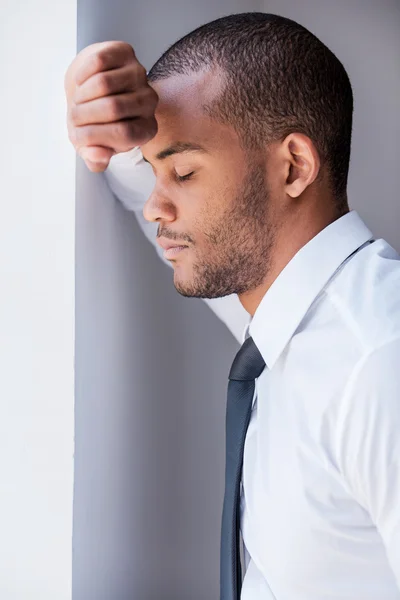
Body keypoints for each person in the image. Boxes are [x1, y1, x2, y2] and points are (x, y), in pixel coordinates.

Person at [65, 12, 400, 600]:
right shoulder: (285, 317)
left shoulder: (378, 359)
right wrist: (105, 116)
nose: (155, 207)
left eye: (185, 172)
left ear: (293, 166)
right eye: (155, 173)